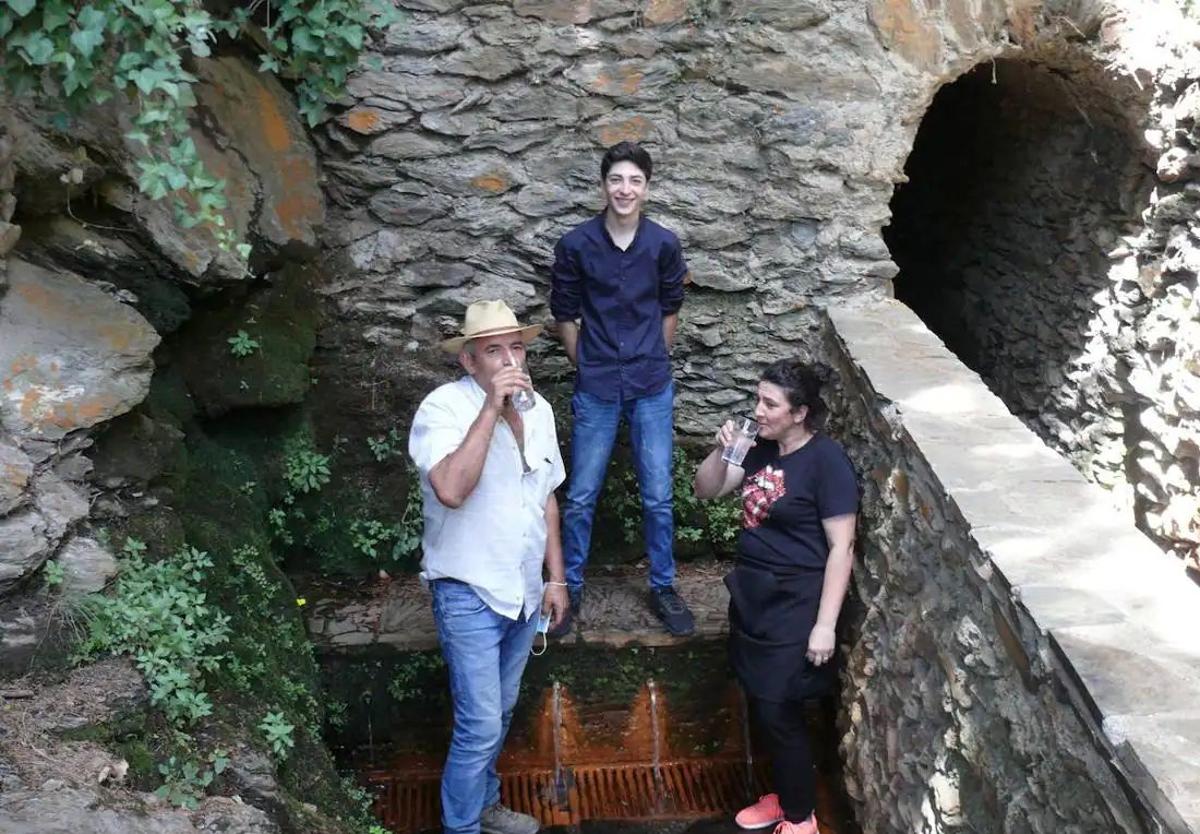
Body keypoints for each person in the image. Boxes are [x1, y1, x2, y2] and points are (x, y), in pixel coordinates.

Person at [408, 299, 570, 834]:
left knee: (497, 715)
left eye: (516, 347)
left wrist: (556, 578)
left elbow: (545, 496)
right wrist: (490, 411)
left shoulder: (540, 411)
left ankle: (485, 804)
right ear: (469, 362)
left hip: (523, 590)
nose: (509, 360)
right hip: (468, 589)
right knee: (478, 724)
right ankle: (462, 828)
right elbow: (451, 489)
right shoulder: (442, 410)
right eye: (493, 350)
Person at [693, 359, 858, 834]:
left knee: (779, 708)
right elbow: (707, 491)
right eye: (758, 399)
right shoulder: (759, 448)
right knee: (761, 700)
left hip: (795, 602)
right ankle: (787, 796)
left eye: (770, 403)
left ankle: (802, 819)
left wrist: (825, 624)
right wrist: (723, 452)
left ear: (800, 412)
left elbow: (842, 548)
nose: (758, 410)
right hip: (753, 595)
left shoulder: (826, 463)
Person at [548, 140, 693, 637]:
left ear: (646, 188)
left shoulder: (663, 244)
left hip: (651, 384)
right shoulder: (576, 245)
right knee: (583, 493)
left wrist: (657, 352)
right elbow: (564, 312)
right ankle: (568, 586)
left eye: (634, 180)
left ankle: (663, 586)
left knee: (657, 495)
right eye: (616, 179)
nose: (624, 189)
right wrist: (584, 362)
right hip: (598, 385)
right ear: (603, 185)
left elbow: (671, 305)